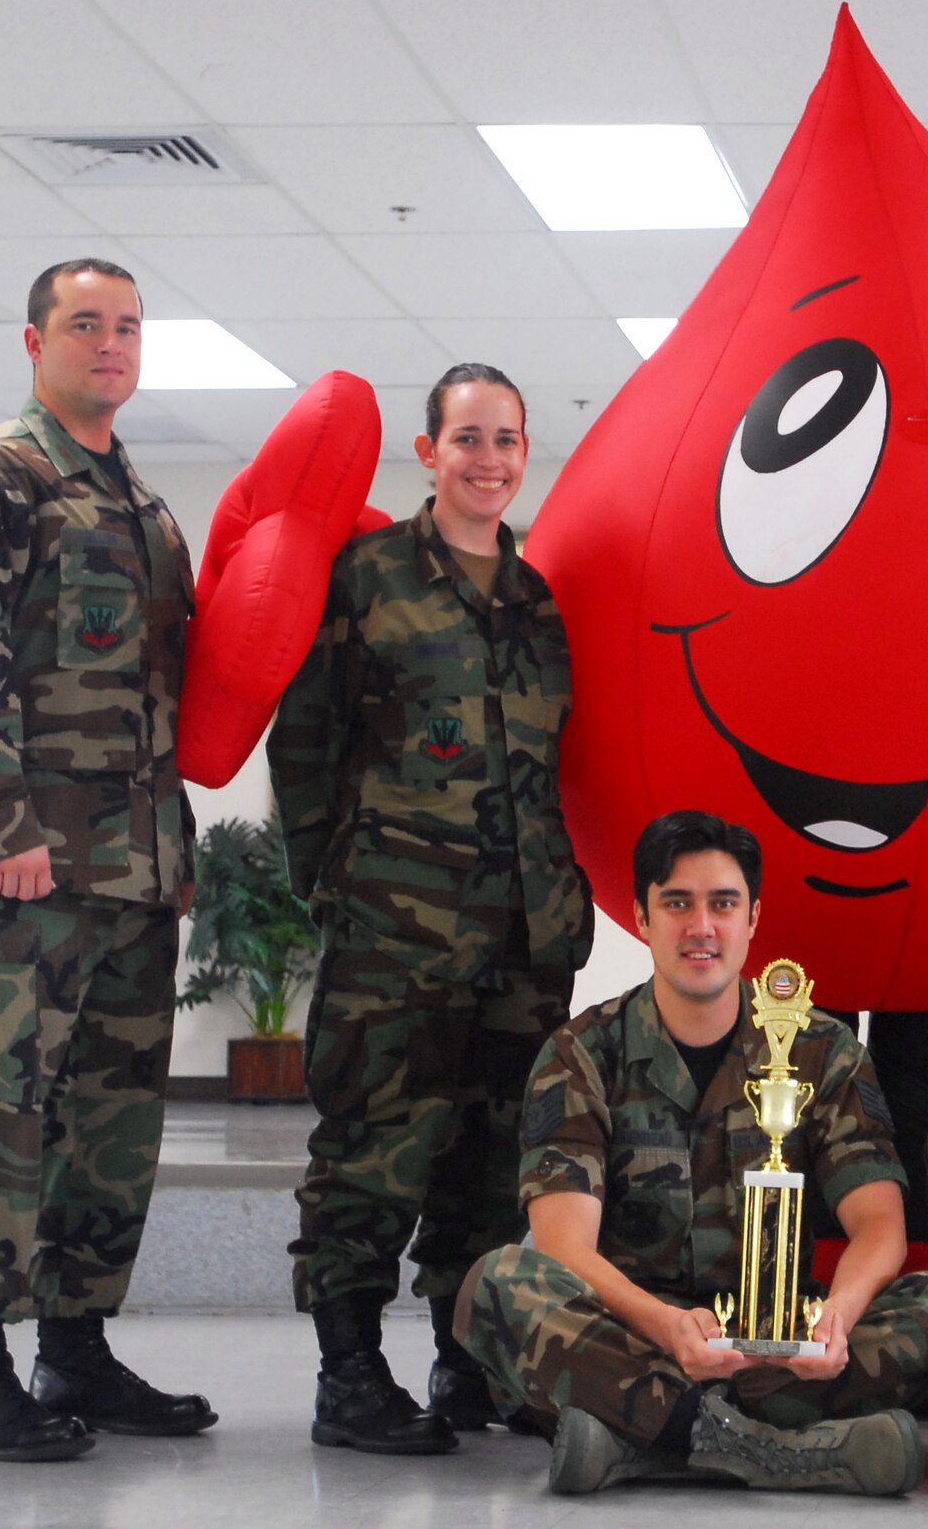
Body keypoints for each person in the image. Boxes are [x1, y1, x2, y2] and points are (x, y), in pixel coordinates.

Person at [0, 258, 213, 1461]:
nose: (111, 343)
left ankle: (73, 1350)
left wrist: (173, 853)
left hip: (131, 881)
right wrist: (5, 826)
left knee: (105, 1130)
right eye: (85, 323)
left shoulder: (145, 507)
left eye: (128, 325)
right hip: (11, 882)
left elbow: (165, 698)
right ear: (34, 342)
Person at [454, 810, 928, 1495]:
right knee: (498, 1283)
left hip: (771, 1345)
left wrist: (837, 1319)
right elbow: (563, 1246)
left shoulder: (820, 1050)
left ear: (753, 918)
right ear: (641, 917)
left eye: (723, 904)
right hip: (635, 1332)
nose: (702, 926)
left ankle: (644, 1438)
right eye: (677, 903)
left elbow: (880, 1224)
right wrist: (668, 1327)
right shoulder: (580, 1054)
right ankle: (774, 1447)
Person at [268, 363, 593, 1453]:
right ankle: (349, 1374)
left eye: (506, 439)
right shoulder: (366, 578)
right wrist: (332, 881)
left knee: (496, 1163)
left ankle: (468, 1364)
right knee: (373, 1151)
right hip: (395, 930)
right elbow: (304, 739)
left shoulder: (541, 599)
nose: (488, 459)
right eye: (467, 438)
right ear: (429, 452)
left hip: (525, 934)